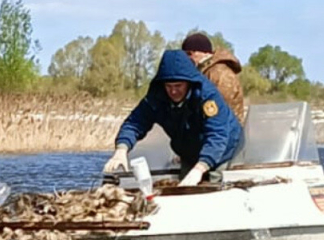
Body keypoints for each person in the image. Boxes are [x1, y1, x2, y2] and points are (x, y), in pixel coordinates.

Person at [104, 49, 244, 187]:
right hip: (189, 151)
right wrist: (121, 150)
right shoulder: (156, 97)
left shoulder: (207, 96)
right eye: (168, 86)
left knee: (213, 185)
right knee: (184, 189)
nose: (173, 91)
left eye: (178, 86)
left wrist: (200, 168)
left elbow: (217, 135)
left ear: (189, 83)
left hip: (224, 149)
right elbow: (135, 123)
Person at [180, 32, 245, 124]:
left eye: (189, 53)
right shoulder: (206, 72)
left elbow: (220, 111)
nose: (187, 58)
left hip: (226, 133)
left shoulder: (220, 73)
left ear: (203, 52)